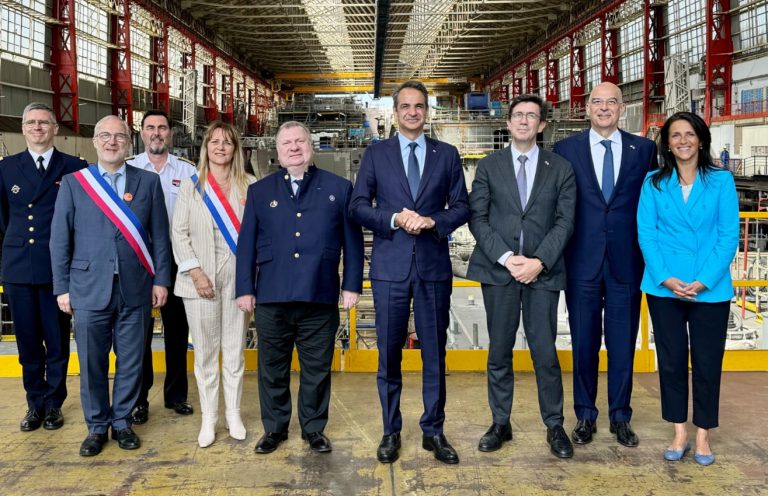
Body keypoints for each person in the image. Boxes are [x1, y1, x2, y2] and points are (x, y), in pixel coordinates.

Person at [349, 81, 470, 464]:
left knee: (435, 353)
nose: (413, 112)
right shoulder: (376, 154)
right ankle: (391, 431)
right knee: (389, 354)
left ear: (426, 111)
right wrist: (394, 218)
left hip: (433, 267)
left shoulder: (446, 155)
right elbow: (358, 206)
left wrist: (433, 221)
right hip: (390, 269)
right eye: (406, 106)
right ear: (395, 112)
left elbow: (462, 207)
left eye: (419, 106)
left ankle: (433, 431)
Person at [236, 121, 363, 455]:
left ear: (311, 146)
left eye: (300, 141)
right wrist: (244, 288)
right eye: (286, 143)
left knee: (317, 369)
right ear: (277, 152)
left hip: (320, 294)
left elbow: (352, 243)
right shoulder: (260, 192)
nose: (294, 148)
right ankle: (275, 429)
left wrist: (351, 285)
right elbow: (246, 244)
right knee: (272, 368)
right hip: (271, 296)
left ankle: (313, 429)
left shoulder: (339, 188)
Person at [50, 115, 171, 456]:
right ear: (95, 141)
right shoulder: (75, 183)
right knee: (92, 362)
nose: (112, 141)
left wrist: (161, 280)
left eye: (119, 136)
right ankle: (96, 427)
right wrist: (62, 288)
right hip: (88, 287)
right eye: (105, 135)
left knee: (132, 361)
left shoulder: (148, 182)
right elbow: (59, 240)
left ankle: (122, 422)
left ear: (129, 142)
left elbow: (160, 236)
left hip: (136, 286)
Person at [467, 94, 576, 459]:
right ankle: (500, 422)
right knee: (499, 350)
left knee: (545, 352)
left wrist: (539, 261)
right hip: (499, 272)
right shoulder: (488, 166)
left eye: (532, 115)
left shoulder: (560, 168)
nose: (524, 121)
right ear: (509, 123)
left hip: (542, 274)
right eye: (518, 115)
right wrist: (507, 258)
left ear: (542, 124)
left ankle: (554, 425)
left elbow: (565, 221)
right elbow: (478, 218)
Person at [552, 82, 658, 448]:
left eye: (611, 102)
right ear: (587, 108)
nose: (604, 108)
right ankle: (585, 414)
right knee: (583, 342)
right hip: (581, 262)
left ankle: (620, 417)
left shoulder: (644, 150)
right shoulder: (566, 150)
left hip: (626, 263)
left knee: (622, 344)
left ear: (622, 108)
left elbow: (653, 205)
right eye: (597, 102)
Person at [637, 111, 738, 466]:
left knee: (708, 363)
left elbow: (728, 236)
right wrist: (665, 277)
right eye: (675, 135)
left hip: (709, 288)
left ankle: (703, 435)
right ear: (667, 143)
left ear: (701, 140)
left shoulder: (721, 181)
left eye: (690, 134)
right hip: (665, 288)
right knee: (672, 361)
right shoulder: (653, 182)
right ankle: (679, 432)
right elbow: (646, 234)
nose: (683, 141)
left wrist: (704, 280)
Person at [0, 102, 87, 432]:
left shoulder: (74, 167)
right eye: (31, 122)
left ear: (55, 129)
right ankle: (34, 404)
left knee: (57, 341)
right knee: (27, 343)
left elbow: (80, 220)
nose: (37, 127)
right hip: (20, 267)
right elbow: (3, 219)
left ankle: (54, 404)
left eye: (43, 122)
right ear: (23, 129)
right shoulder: (7, 168)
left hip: (57, 269)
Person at [172, 121, 255, 447]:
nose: (221, 147)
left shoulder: (250, 185)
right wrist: (196, 273)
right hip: (199, 281)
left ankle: (233, 414)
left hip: (238, 279)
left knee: (234, 352)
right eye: (214, 141)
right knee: (205, 353)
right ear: (205, 147)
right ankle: (209, 418)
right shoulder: (190, 186)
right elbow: (179, 232)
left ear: (236, 149)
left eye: (227, 142)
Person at [128, 109, 197, 424]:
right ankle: (139, 399)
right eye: (150, 127)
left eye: (162, 127)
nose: (156, 132)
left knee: (177, 332)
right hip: (139, 260)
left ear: (170, 133)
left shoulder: (188, 171)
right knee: (138, 334)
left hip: (177, 259)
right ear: (142, 133)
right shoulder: (128, 169)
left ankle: (176, 395)